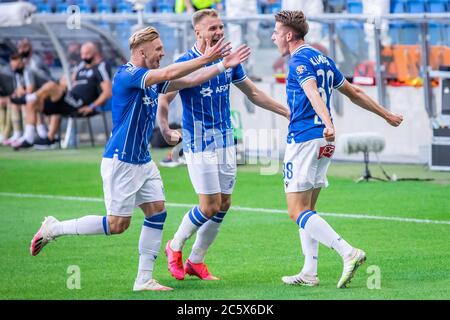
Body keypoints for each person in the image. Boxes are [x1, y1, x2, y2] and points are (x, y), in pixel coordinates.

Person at [28, 26, 251, 292]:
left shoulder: (151, 79)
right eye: (158, 49)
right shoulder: (128, 75)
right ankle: (54, 228)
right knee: (117, 225)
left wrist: (221, 65)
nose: (163, 53)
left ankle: (144, 279)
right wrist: (205, 58)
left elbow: (190, 81)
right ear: (142, 51)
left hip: (143, 161)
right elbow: (168, 73)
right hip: (121, 160)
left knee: (157, 210)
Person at [271, 10, 403, 288]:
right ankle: (309, 272)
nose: (273, 37)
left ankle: (348, 252)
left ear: (289, 35)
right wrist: (386, 114)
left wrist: (329, 123)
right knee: (309, 209)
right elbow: (354, 93)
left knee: (296, 211)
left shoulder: (298, 61)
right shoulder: (323, 58)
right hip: (323, 142)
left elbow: (312, 92)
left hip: (306, 138)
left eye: (276, 32)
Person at [159, 9, 289, 281]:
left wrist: (286, 112)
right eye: (212, 28)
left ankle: (196, 260)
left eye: (220, 27)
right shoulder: (185, 62)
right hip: (198, 142)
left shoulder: (229, 62)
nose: (218, 32)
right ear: (198, 32)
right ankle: (174, 245)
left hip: (225, 140)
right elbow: (164, 98)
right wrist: (164, 127)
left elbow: (252, 92)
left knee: (224, 203)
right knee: (208, 206)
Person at [11, 42, 112, 149]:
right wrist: (64, 83)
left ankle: (30, 97)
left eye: (87, 54)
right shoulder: (81, 66)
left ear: (95, 53)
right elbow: (66, 81)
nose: (83, 57)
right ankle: (29, 138)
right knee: (32, 104)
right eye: (82, 54)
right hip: (69, 98)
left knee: (50, 85)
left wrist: (92, 106)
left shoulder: (101, 67)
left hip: (79, 103)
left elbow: (107, 92)